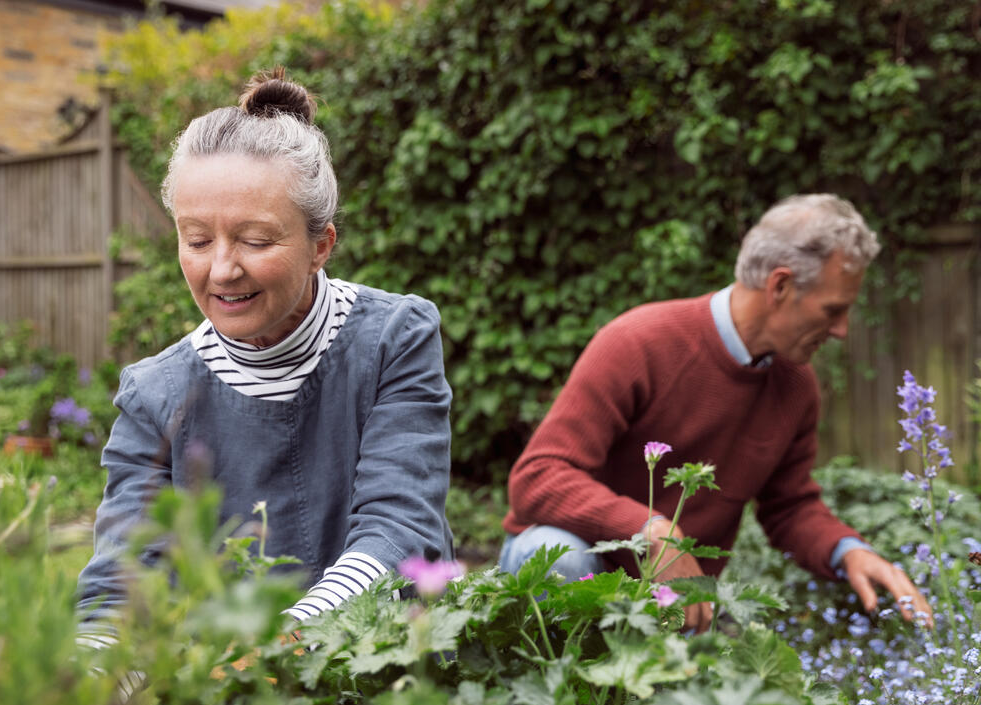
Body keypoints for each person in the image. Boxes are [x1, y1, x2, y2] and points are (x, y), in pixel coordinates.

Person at [75, 68, 454, 648]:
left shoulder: (392, 340)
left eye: (255, 241)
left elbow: (400, 530)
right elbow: (122, 586)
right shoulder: (155, 395)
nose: (222, 270)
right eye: (197, 240)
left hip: (388, 666)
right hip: (222, 695)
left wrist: (279, 645)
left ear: (320, 246)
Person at [501, 194, 932, 632]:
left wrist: (848, 552)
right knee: (556, 556)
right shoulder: (637, 343)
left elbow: (789, 506)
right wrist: (652, 531)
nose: (842, 330)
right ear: (780, 286)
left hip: (672, 608)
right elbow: (539, 475)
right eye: (833, 310)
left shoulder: (795, 384)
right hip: (578, 570)